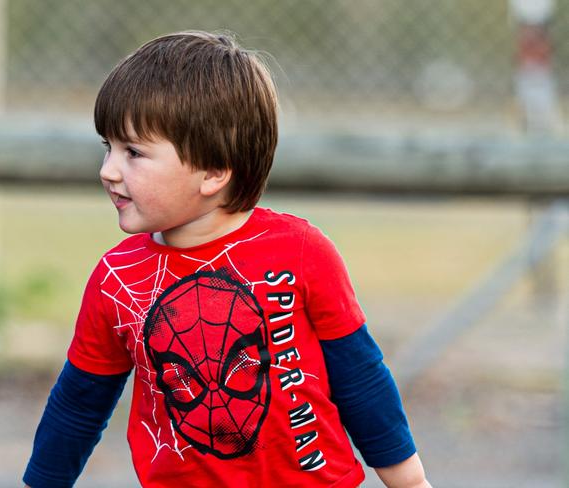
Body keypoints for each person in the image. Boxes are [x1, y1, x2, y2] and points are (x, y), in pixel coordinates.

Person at [23, 31, 431, 488]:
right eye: (108, 148)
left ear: (214, 172)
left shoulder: (300, 250)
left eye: (134, 152)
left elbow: (360, 379)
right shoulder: (115, 278)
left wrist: (409, 481)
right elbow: (79, 404)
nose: (108, 170)